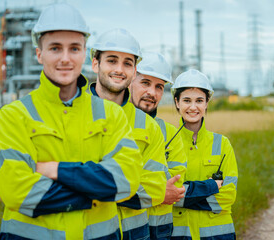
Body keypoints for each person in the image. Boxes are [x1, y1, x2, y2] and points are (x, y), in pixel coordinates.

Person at [0, 3, 142, 239]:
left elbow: (126, 181)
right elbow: (16, 191)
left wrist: (55, 170)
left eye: (74, 48)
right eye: (55, 48)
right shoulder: (14, 116)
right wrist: (96, 191)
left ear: (84, 53)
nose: (65, 58)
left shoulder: (111, 115)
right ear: (39, 53)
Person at [90, 28, 168, 240]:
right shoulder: (70, 114)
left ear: (134, 71)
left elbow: (154, 190)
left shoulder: (149, 127)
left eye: (127, 63)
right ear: (96, 63)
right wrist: (125, 184)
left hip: (135, 234)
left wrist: (87, 185)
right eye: (112, 61)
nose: (119, 69)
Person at [170, 69, 238, 240]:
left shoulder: (222, 144)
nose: (193, 107)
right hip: (180, 235)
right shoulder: (167, 144)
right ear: (177, 102)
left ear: (207, 103)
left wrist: (185, 196)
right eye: (187, 100)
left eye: (199, 100)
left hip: (218, 236)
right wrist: (210, 187)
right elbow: (167, 195)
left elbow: (228, 195)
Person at [129, 51, 187, 239]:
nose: (152, 93)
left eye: (159, 87)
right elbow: (104, 183)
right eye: (145, 83)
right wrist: (158, 192)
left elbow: (174, 186)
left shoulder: (170, 133)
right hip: (126, 229)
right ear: (130, 80)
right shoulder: (114, 125)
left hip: (160, 230)